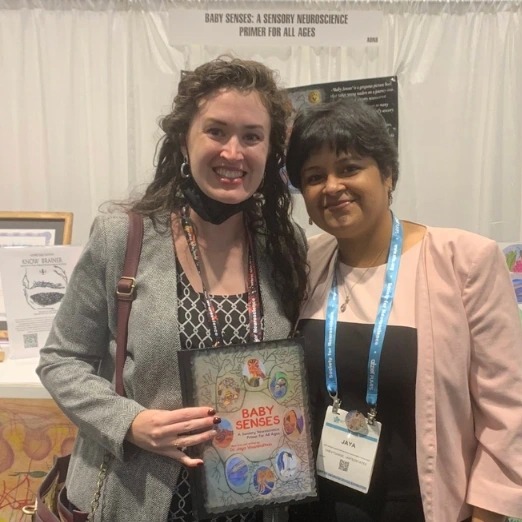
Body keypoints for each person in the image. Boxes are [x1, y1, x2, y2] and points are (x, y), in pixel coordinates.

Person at [37, 56, 307, 522]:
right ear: (184, 139)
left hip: (253, 498)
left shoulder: (283, 246)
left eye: (251, 137)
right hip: (138, 495)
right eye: (216, 131)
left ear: (270, 151)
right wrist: (130, 423)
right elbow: (61, 359)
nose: (233, 153)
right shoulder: (125, 237)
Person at [284, 97, 522, 522]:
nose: (332, 186)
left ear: (388, 174)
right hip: (317, 506)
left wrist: (489, 513)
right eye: (314, 177)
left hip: (420, 505)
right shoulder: (307, 264)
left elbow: (507, 408)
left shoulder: (464, 261)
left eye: (349, 168)